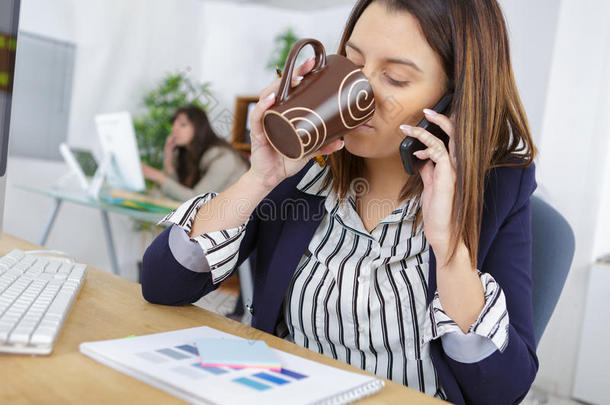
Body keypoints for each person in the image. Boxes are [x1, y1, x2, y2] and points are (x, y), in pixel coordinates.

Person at [140, 0, 538, 403]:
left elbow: (502, 392)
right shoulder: (307, 164)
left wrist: (449, 250)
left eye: (395, 78)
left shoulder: (500, 186)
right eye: (351, 61)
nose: (359, 89)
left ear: (453, 99)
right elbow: (162, 284)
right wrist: (259, 178)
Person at [141, 105, 248, 201]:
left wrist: (158, 177)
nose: (175, 129)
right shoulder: (185, 153)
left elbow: (196, 199)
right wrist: (168, 157)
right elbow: (178, 190)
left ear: (198, 128)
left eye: (182, 124)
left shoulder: (224, 158)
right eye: (174, 124)